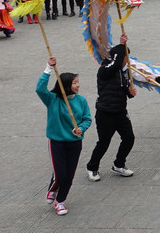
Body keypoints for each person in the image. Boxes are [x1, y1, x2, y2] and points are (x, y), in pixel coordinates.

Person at [36, 56, 92, 216]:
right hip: (57, 143)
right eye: (74, 83)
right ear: (66, 86)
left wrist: (81, 128)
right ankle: (53, 188)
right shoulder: (52, 100)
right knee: (60, 174)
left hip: (75, 143)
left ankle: (60, 201)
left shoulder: (81, 100)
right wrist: (48, 68)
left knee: (69, 175)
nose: (78, 85)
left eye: (77, 82)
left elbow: (87, 119)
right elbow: (40, 89)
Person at [86, 34, 137, 182]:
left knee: (129, 138)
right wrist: (122, 45)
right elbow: (114, 66)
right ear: (118, 58)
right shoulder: (105, 69)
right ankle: (92, 167)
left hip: (121, 111)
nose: (127, 61)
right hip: (105, 112)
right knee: (104, 141)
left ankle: (119, 164)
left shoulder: (124, 72)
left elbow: (124, 89)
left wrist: (130, 93)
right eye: (125, 57)